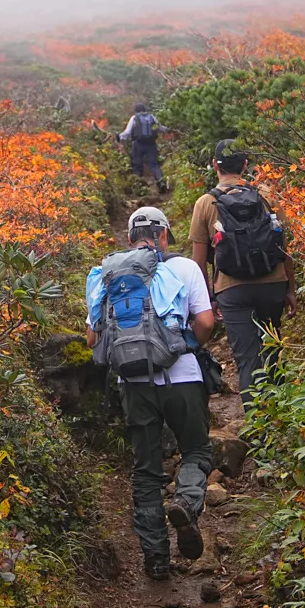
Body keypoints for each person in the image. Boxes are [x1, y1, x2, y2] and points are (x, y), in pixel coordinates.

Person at [86, 205, 216, 580]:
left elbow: (93, 337)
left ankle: (156, 560)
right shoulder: (184, 268)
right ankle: (187, 504)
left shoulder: (103, 274)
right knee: (195, 450)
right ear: (163, 236)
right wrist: (188, 346)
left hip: (134, 385)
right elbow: (205, 322)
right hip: (183, 378)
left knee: (145, 472)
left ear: (129, 238)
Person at [188, 140, 297, 411]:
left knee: (248, 359)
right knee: (272, 349)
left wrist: (207, 299)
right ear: (246, 165)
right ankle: (282, 416)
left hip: (232, 291)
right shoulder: (267, 194)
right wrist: (290, 288)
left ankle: (258, 429)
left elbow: (198, 263)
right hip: (273, 284)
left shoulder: (205, 202)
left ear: (215, 165)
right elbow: (286, 246)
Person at [116, 101, 168, 193]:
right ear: (145, 110)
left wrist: (119, 137)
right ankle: (161, 183)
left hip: (138, 144)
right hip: (151, 143)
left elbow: (127, 132)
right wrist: (169, 130)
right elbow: (160, 128)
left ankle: (138, 187)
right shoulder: (151, 117)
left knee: (137, 165)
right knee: (154, 165)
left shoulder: (134, 118)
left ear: (136, 111)